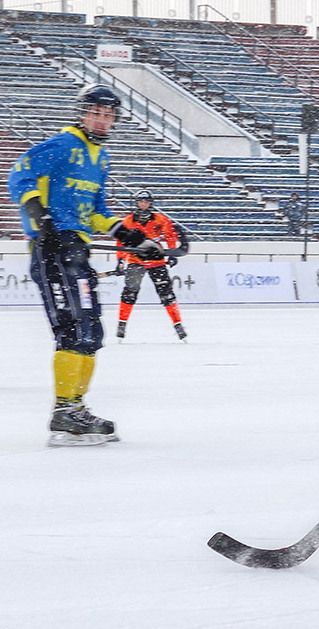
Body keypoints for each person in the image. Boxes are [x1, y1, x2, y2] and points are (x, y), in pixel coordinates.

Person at [7, 84, 161, 446]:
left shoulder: (100, 159)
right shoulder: (63, 145)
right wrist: (37, 214)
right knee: (72, 327)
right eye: (97, 113)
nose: (103, 121)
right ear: (82, 113)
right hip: (52, 249)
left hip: (77, 249)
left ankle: (75, 407)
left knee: (91, 331)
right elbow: (19, 173)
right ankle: (64, 411)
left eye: (109, 116)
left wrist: (132, 236)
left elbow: (97, 214)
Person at [114, 189, 187, 341]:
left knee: (166, 294)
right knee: (129, 293)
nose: (143, 204)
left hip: (157, 261)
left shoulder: (160, 219)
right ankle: (122, 324)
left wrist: (172, 253)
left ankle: (178, 325)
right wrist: (120, 260)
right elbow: (121, 241)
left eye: (146, 201)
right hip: (135, 261)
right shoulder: (128, 221)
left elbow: (170, 235)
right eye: (141, 201)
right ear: (136, 203)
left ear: (151, 203)